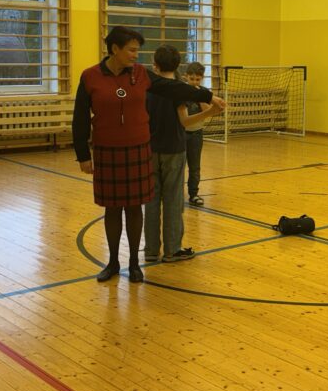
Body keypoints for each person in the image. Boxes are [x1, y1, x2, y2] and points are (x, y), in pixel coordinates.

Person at [72, 27, 223, 283]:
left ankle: (134, 263)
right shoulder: (90, 77)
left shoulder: (141, 74)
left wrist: (207, 95)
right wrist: (83, 154)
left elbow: (172, 88)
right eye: (131, 50)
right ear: (115, 49)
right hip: (108, 151)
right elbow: (80, 118)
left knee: (134, 208)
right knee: (112, 209)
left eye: (137, 50)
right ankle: (112, 262)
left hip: (138, 149)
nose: (136, 55)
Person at [144, 51, 219, 264]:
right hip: (173, 149)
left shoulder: (147, 88)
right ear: (178, 67)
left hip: (150, 149)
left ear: (155, 64)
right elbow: (185, 121)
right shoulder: (178, 90)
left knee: (151, 201)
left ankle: (151, 250)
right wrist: (210, 112)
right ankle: (172, 250)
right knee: (173, 200)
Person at [181, 61, 209, 206]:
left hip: (196, 134)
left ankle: (194, 194)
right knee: (179, 166)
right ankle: (176, 194)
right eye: (192, 79)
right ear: (186, 77)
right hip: (181, 134)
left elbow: (207, 111)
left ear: (202, 78)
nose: (194, 82)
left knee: (195, 166)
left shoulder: (203, 92)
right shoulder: (181, 91)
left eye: (197, 79)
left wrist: (199, 96)